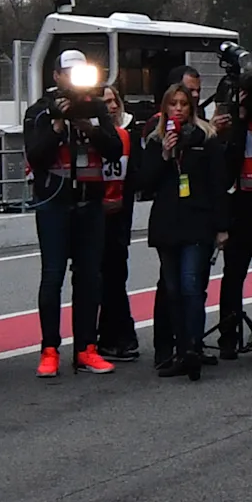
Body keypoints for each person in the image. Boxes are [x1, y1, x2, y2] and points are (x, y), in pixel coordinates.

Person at [26, 52, 128, 378]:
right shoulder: (40, 111)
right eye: (68, 73)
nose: (73, 79)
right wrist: (58, 125)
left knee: (89, 277)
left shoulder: (97, 108)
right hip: (55, 204)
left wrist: (89, 128)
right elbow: (35, 155)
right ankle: (50, 348)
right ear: (56, 76)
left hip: (90, 205)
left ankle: (86, 347)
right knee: (52, 276)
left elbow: (115, 148)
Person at [137, 81, 228, 379]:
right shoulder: (155, 139)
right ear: (164, 108)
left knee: (191, 284)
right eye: (173, 104)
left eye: (183, 104)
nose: (178, 108)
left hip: (197, 220)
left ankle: (193, 347)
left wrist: (221, 227)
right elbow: (144, 184)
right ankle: (180, 348)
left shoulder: (207, 137)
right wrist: (164, 155)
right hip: (167, 221)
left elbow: (218, 185)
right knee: (172, 289)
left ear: (191, 107)